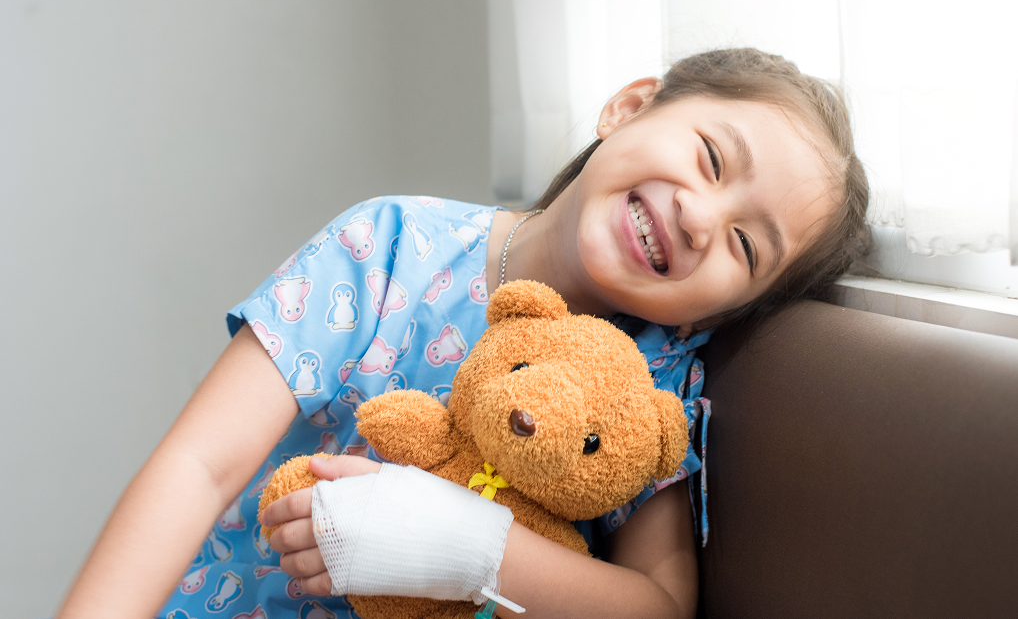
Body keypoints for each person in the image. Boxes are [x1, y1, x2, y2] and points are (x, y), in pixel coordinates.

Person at [56, 48, 871, 619]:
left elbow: (655, 607)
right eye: (710, 158)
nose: (700, 215)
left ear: (714, 315)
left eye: (744, 245)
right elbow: (199, 468)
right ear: (629, 108)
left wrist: (466, 546)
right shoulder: (386, 246)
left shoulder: (654, 387)